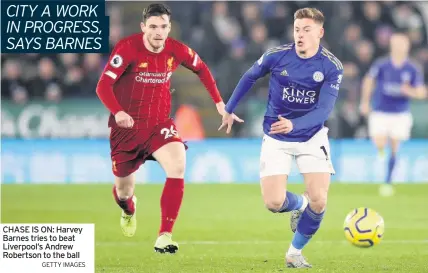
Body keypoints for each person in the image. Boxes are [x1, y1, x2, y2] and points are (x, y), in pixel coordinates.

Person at [96, 3, 242, 254]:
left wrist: (219, 103)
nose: (158, 32)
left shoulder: (176, 50)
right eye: (153, 27)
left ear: (169, 28)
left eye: (163, 27)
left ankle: (164, 235)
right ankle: (129, 209)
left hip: (158, 125)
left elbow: (202, 69)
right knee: (123, 192)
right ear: (143, 27)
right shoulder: (127, 48)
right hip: (126, 129)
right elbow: (102, 86)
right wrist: (119, 112)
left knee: (177, 164)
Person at [219, 7, 343, 268]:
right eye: (297, 29)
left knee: (320, 200)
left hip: (311, 136)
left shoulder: (331, 66)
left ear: (319, 33)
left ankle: (294, 252)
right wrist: (229, 109)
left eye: (306, 30)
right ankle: (300, 203)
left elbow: (323, 111)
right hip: (276, 136)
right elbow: (250, 76)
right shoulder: (277, 56)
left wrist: (294, 124)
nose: (300, 35)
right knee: (274, 203)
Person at [360, 32, 427, 197]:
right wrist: (365, 102)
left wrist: (409, 91)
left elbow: (421, 92)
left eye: (402, 44)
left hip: (400, 114)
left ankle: (388, 181)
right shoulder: (382, 65)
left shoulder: (412, 68)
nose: (399, 47)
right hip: (380, 111)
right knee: (380, 142)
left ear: (407, 46)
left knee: (395, 146)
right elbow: (369, 81)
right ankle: (382, 152)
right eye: (396, 43)